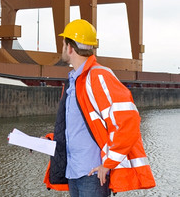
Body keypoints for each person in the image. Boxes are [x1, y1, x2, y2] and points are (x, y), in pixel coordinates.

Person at [43, 19, 156, 196]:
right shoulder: (73, 82)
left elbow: (129, 121)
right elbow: (81, 127)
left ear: (70, 47)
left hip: (92, 174)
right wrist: (50, 140)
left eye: (63, 43)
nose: (63, 48)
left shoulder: (98, 76)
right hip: (73, 171)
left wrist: (109, 164)